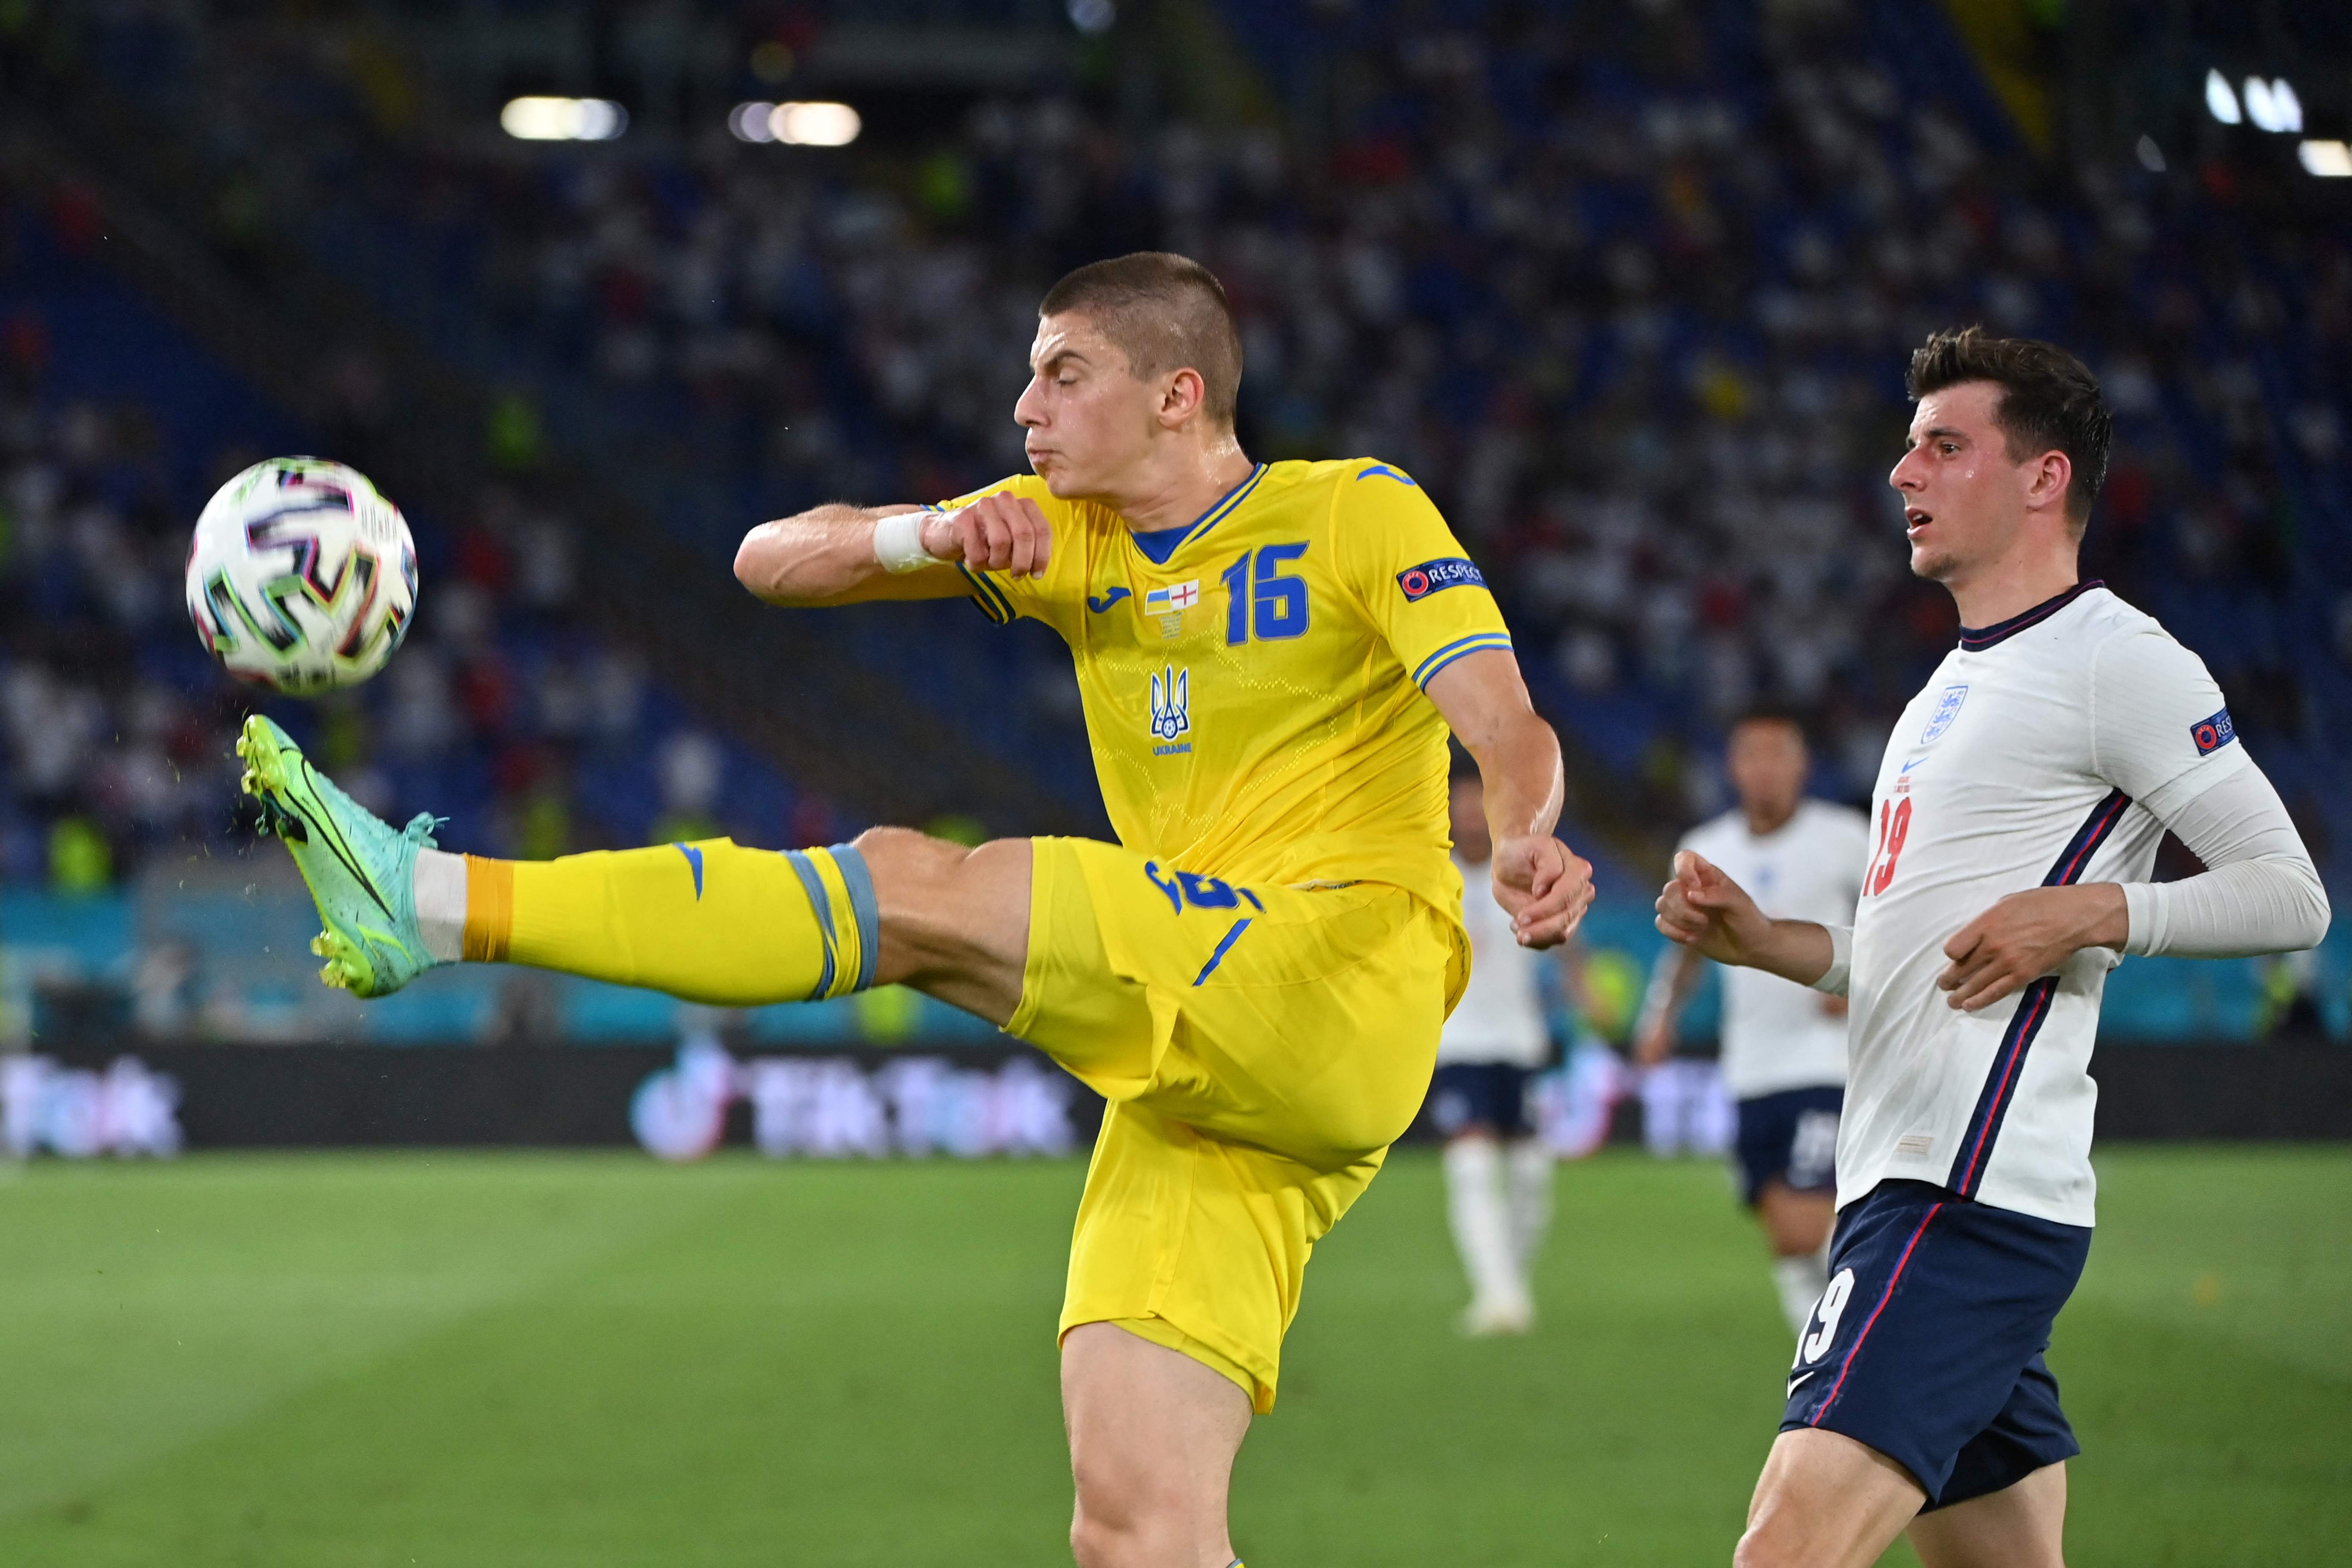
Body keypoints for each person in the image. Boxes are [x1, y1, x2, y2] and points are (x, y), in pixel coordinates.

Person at [236, 251, 1595, 1568]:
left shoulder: (1355, 512)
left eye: (1064, 374)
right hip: (1206, 1083)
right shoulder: (1064, 535)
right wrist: (929, 533)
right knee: (1136, 1532)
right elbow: (769, 561)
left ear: (1176, 394)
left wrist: (1528, 840)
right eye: (1028, 377)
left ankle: (434, 902)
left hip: (1335, 972)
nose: (1027, 408)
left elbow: (1504, 723)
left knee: (912, 884)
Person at [1655, 327, 2329, 1568]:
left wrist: (2094, 913)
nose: (1903, 474)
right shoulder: (1942, 692)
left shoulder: (2113, 659)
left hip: (1959, 1193)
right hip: (1906, 1171)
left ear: (2044, 478)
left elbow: (2291, 893)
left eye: (1943, 447)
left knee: (1783, 1548)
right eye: (1908, 448)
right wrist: (1768, 942)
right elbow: (1921, 951)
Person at [1633, 710, 1868, 1339]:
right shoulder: (1709, 847)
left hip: (1826, 1060)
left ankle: (1857, 1345)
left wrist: (1861, 982)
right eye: (1751, 754)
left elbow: (1895, 915)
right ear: (1733, 767)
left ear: (1802, 764)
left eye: (1778, 753)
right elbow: (1684, 946)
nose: (1764, 768)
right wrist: (1660, 1018)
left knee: (1808, 1226)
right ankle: (1821, 1361)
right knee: (1786, 1239)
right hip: (1751, 1065)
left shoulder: (1849, 837)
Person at [1430, 761, 1570, 1336]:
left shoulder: (1522, 868)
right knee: (1471, 1164)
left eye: (1477, 804)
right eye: (1459, 804)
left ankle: (1510, 1283)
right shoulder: (1431, 875)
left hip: (1520, 1041)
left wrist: (1582, 989)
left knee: (1532, 1175)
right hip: (1457, 1043)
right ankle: (1495, 1294)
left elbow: (1563, 932)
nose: (1468, 815)